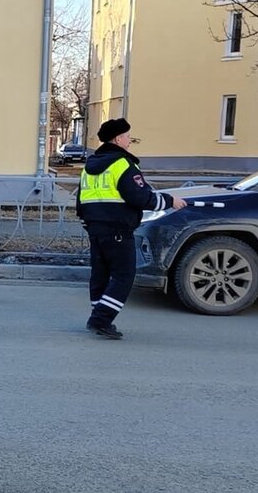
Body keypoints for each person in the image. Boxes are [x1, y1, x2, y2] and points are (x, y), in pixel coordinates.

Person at [77, 118, 186, 339]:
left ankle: (99, 313)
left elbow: (80, 200)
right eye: (128, 137)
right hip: (118, 228)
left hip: (95, 229)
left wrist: (88, 223)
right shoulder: (123, 164)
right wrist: (169, 200)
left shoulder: (90, 166)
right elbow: (140, 197)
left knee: (101, 274)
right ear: (118, 139)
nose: (130, 141)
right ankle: (100, 319)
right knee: (124, 275)